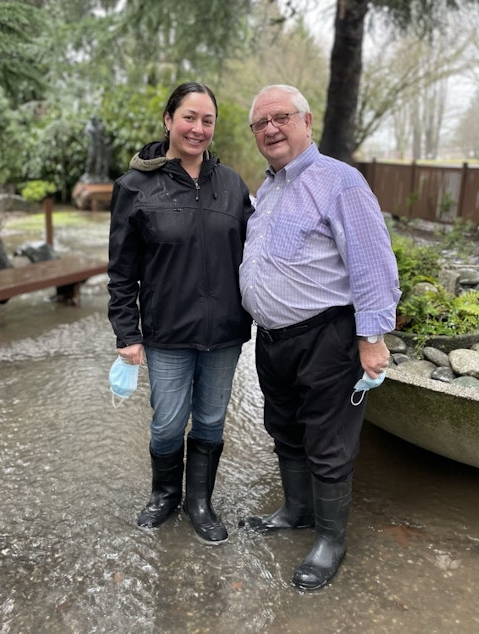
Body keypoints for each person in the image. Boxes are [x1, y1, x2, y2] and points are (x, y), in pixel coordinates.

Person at [238, 85, 401, 589]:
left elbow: (373, 261)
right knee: (285, 427)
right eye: (260, 123)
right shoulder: (268, 188)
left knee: (329, 441)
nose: (270, 129)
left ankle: (331, 540)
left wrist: (371, 338)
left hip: (327, 338)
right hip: (272, 340)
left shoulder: (340, 182)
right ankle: (296, 510)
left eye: (280, 117)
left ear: (307, 122)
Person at [107, 82, 254, 544]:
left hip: (224, 334)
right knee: (168, 421)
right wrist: (127, 334)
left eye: (207, 120)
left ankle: (200, 501)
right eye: (189, 117)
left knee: (211, 420)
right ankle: (165, 493)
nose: (198, 128)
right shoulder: (134, 187)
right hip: (167, 334)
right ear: (169, 120)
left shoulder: (231, 185)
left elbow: (257, 256)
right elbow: (120, 271)